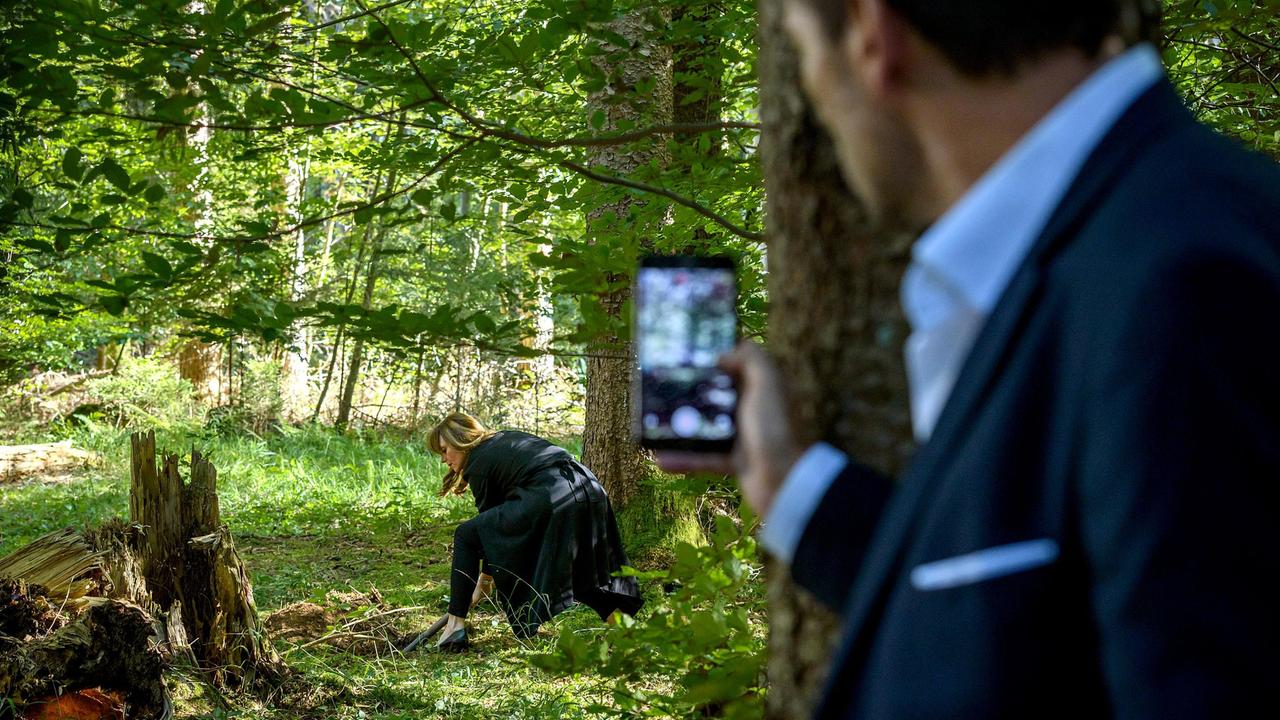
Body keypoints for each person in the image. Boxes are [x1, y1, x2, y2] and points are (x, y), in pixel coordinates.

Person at [660, 0, 1280, 716]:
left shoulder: (1185, 286)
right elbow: (1032, 639)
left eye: (804, 51)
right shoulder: (1101, 248)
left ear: (872, 36)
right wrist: (793, 484)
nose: (818, 102)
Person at [425, 412, 643, 651]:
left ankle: (455, 626)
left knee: (465, 534)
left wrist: (485, 581)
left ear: (461, 440)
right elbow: (493, 529)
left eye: (445, 450)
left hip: (553, 494)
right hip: (589, 489)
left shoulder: (479, 461)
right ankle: (625, 631)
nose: (444, 459)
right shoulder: (501, 440)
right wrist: (485, 581)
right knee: (579, 568)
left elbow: (487, 538)